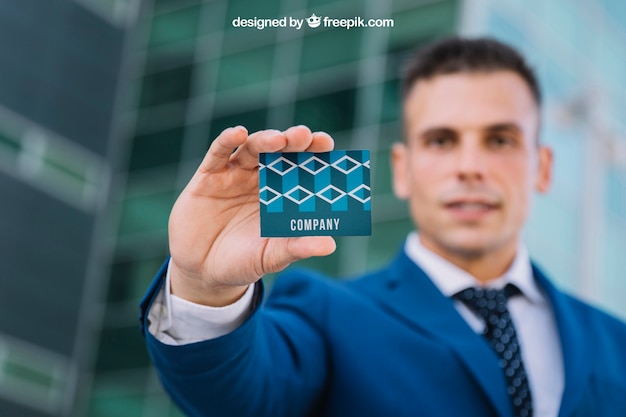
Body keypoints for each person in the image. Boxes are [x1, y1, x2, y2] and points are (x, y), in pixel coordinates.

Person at [139, 37, 626, 417]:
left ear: (541, 167)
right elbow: (242, 397)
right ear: (402, 169)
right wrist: (204, 287)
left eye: (500, 139)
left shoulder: (615, 342)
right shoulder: (328, 314)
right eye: (441, 140)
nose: (471, 167)